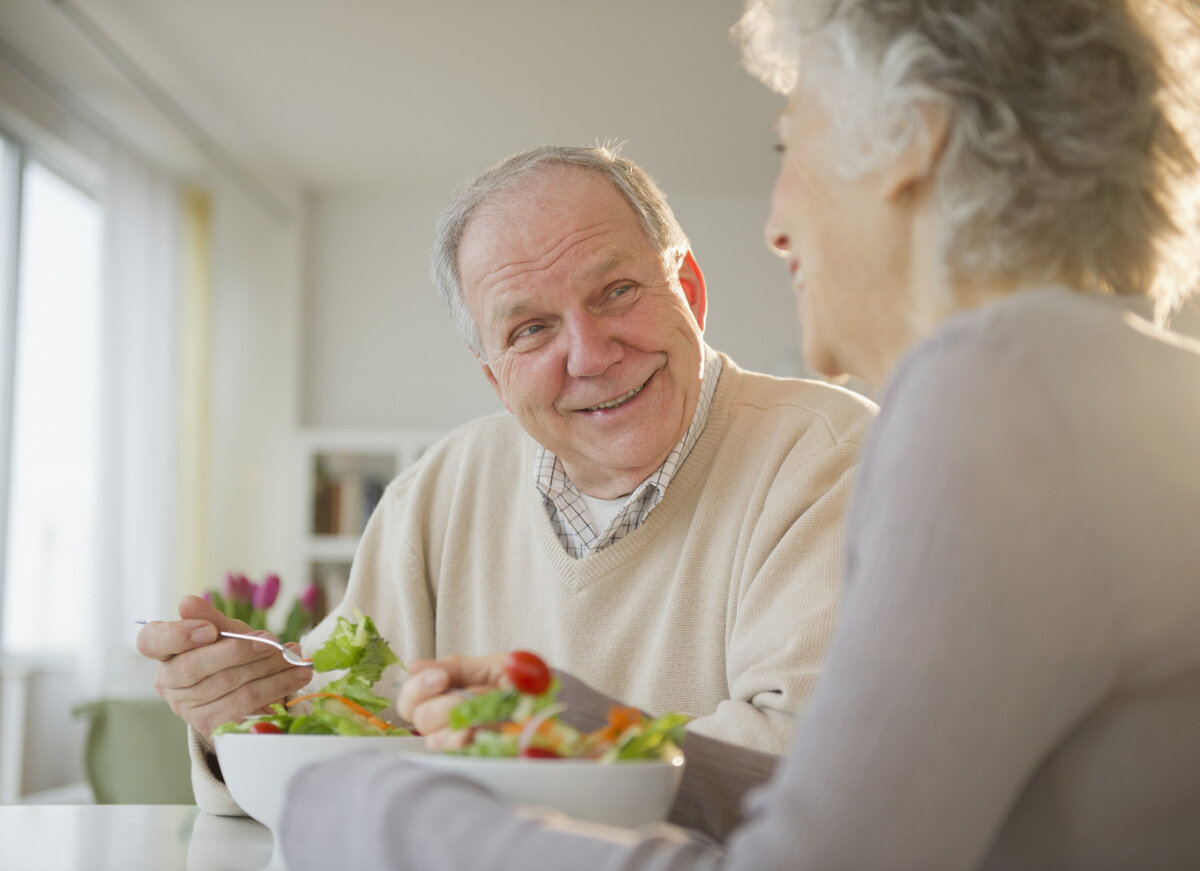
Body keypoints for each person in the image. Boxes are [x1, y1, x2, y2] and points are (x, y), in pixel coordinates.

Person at [275, 0, 1200, 868]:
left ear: (914, 141)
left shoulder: (996, 392)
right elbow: (870, 813)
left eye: (789, 145)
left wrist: (365, 809)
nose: (776, 221)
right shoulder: (1104, 381)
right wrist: (601, 733)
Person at [136, 144, 876, 820]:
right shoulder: (438, 489)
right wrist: (248, 709)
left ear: (687, 287)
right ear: (494, 375)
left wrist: (507, 760)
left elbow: (809, 766)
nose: (589, 354)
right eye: (530, 330)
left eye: (616, 291)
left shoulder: (833, 457)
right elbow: (343, 726)